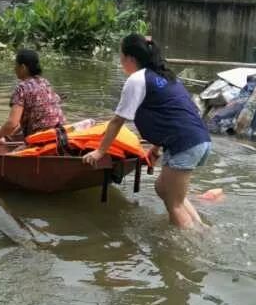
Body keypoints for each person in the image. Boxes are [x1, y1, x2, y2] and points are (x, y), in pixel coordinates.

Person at [83, 34, 211, 229]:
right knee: (163, 189)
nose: (120, 61)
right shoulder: (163, 75)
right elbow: (169, 114)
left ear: (129, 58)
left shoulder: (137, 79)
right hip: (196, 140)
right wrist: (156, 147)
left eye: (121, 56)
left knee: (173, 202)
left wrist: (100, 151)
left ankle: (190, 246)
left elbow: (117, 121)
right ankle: (200, 228)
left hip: (185, 143)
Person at [0, 49, 65, 148]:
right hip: (61, 136)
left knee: (10, 159)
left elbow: (12, 123)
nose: (14, 69)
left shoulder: (22, 88)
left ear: (23, 67)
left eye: (16, 65)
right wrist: (5, 134)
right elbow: (35, 116)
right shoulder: (44, 82)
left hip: (42, 139)